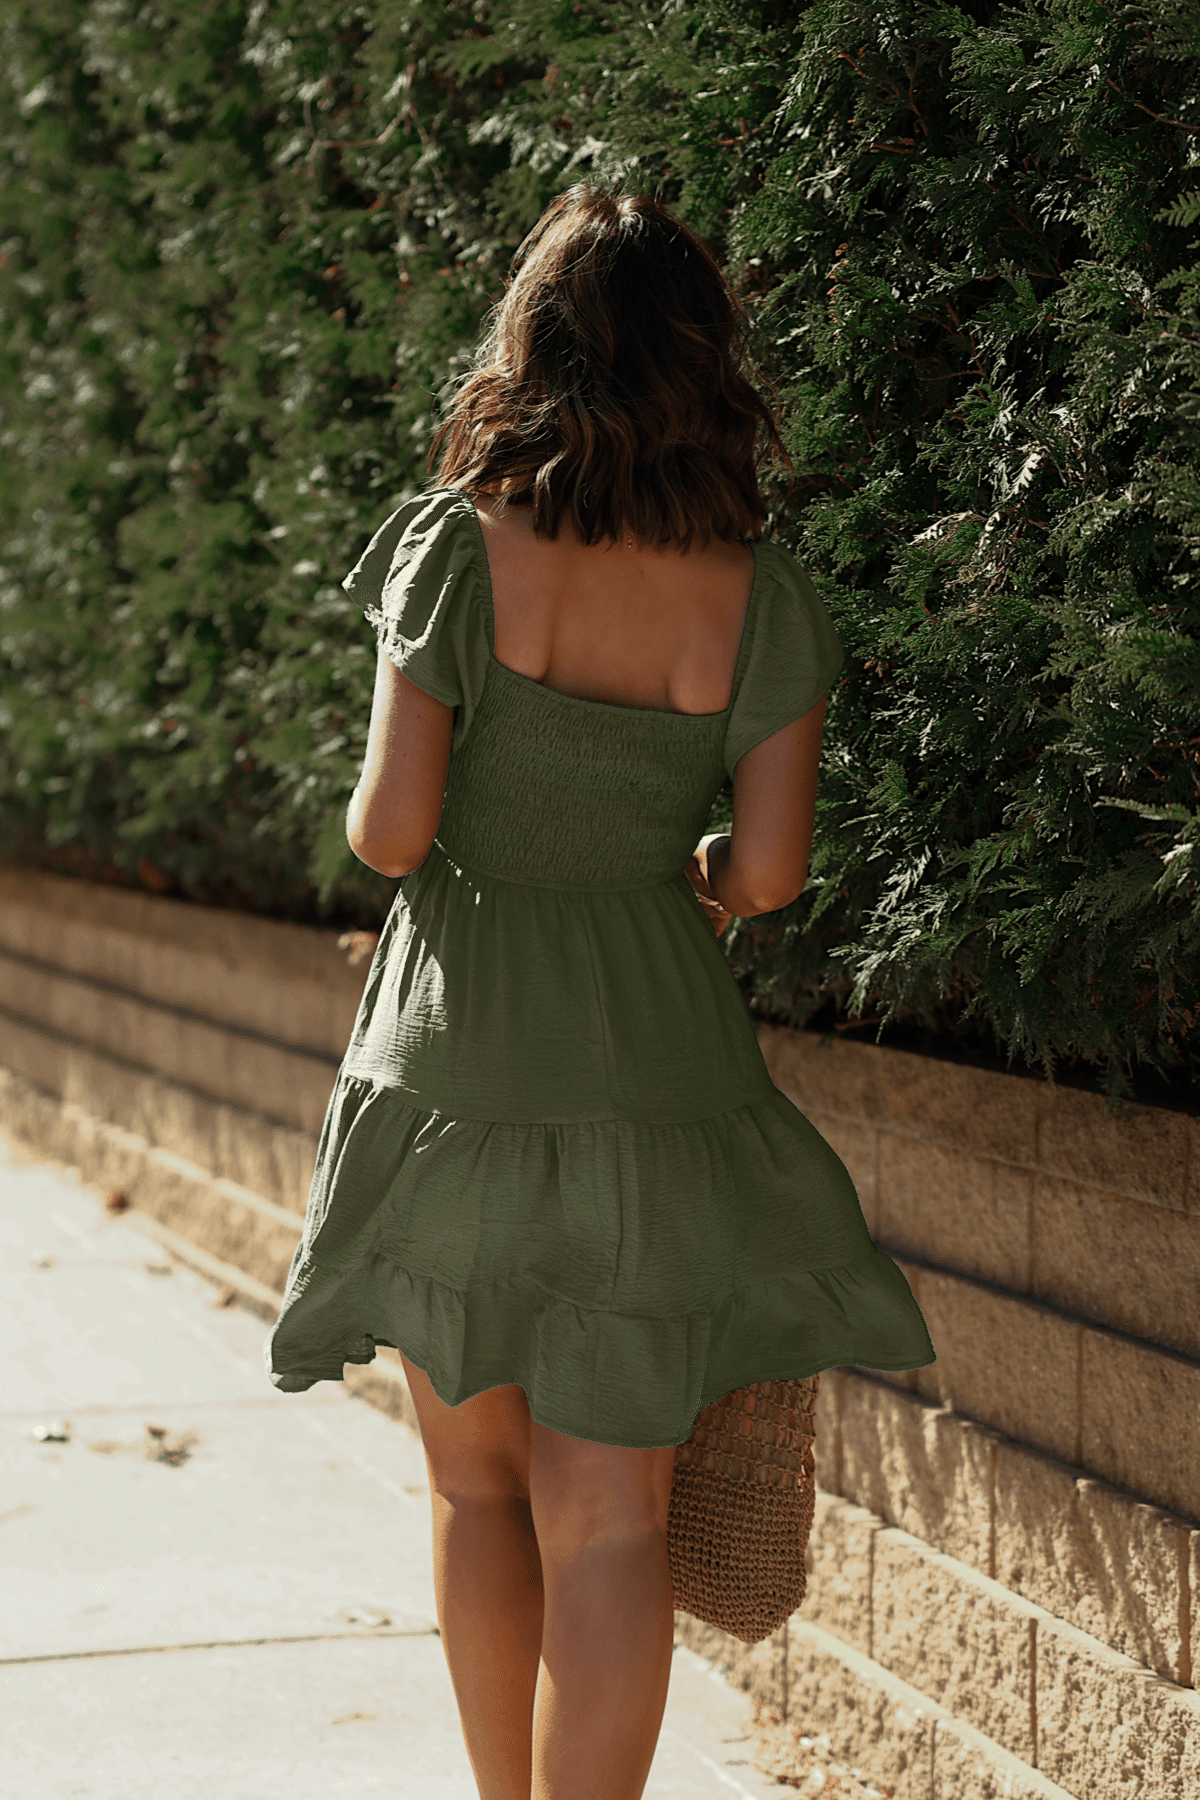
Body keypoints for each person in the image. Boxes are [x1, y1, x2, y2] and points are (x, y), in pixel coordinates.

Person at [265, 182, 935, 1800]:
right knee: (612, 1518)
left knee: (476, 1492)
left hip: (458, 1066)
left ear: (533, 349)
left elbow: (392, 829)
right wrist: (676, 876)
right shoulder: (757, 599)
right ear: (709, 367)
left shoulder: (450, 553)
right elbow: (767, 874)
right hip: (654, 1069)